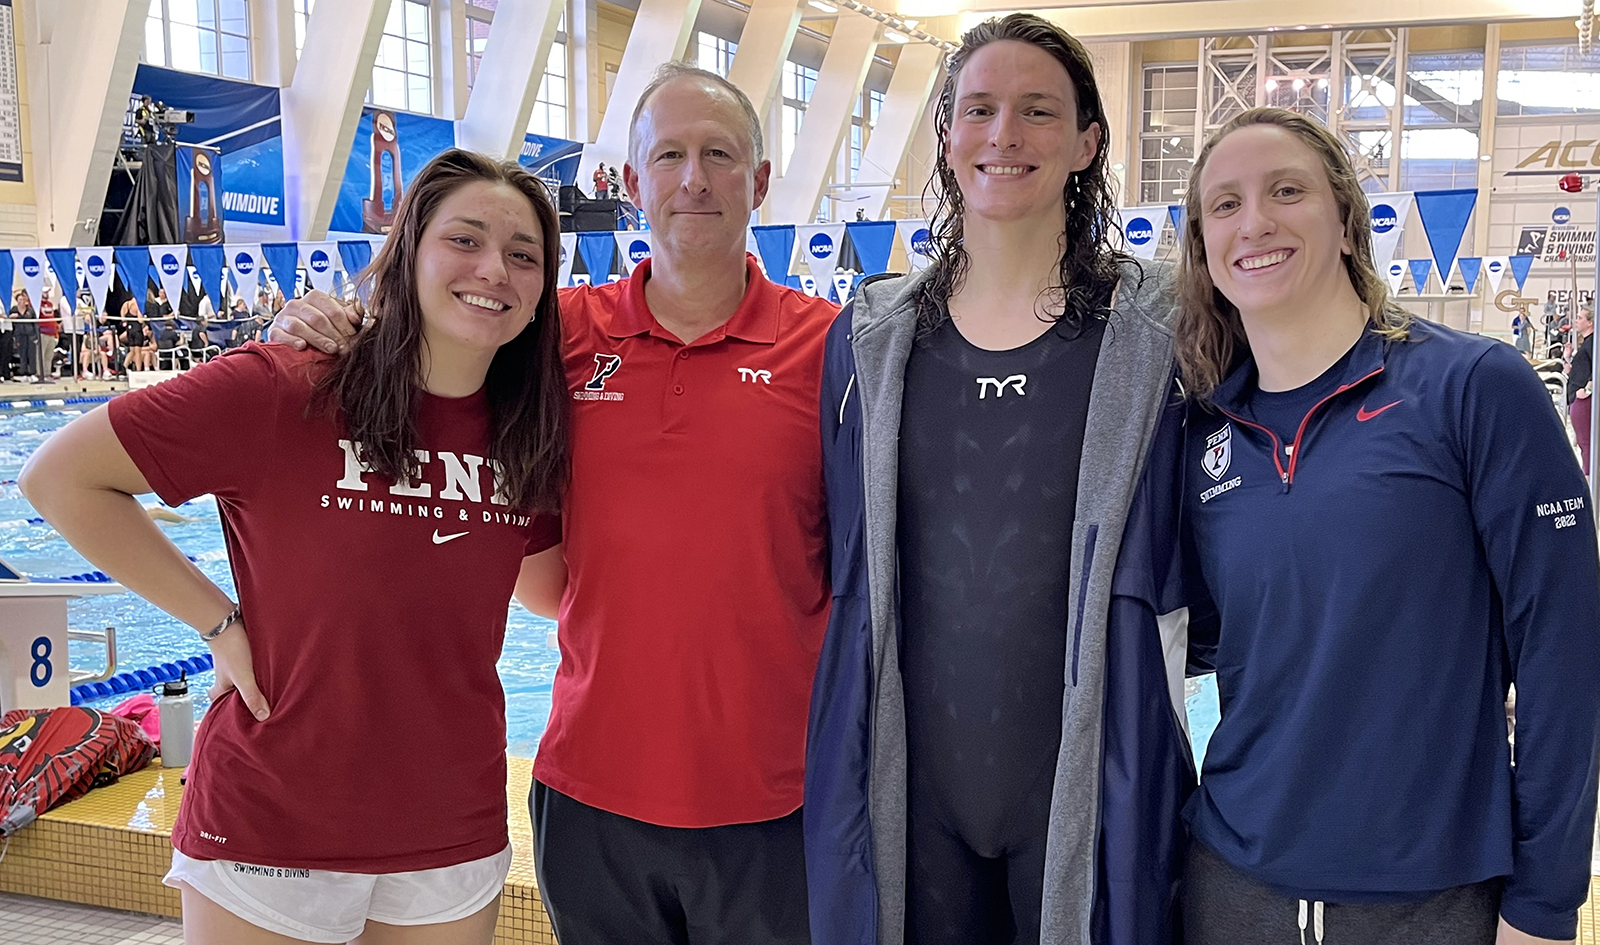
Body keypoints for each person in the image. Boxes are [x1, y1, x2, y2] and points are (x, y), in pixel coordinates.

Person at [273, 66, 836, 945]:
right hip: (592, 793)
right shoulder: (556, 333)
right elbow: (422, 371)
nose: (695, 179)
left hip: (775, 798)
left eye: (720, 156)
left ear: (759, 181)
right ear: (631, 181)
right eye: (671, 155)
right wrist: (315, 330)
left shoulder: (830, 346)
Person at [20, 149, 569, 945]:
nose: (495, 269)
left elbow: (548, 592)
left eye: (525, 255)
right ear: (408, 249)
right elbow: (59, 478)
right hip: (275, 814)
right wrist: (217, 623)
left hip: (450, 816)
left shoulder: (529, 433)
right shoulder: (288, 386)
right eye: (466, 239)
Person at [1174, 106, 1600, 945]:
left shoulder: (1473, 387)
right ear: (1204, 250)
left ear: (1344, 220)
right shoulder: (1203, 435)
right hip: (1231, 881)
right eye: (1223, 205)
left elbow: (1564, 652)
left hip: (1427, 895)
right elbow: (1205, 645)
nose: (1254, 220)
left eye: (1286, 190)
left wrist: (1546, 903)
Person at [807, 15, 1194, 945]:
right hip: (913, 789)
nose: (1004, 136)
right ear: (944, 138)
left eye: (1037, 112)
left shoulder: (1160, 335)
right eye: (978, 110)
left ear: (1087, 141)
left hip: (1093, 782)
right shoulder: (869, 339)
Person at [1566, 306, 1600, 473]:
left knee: (1585, 440)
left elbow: (1598, 369)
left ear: (1590, 322)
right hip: (1578, 393)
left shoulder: (1595, 343)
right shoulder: (1588, 342)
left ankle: (1589, 474)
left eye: (1580, 317)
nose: (1576, 320)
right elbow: (1583, 368)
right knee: (1582, 439)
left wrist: (1588, 390)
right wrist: (1568, 358)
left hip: (1584, 397)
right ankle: (1587, 471)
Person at [11, 289, 41, 381]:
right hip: (20, 335)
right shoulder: (14, 310)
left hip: (31, 335)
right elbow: (11, 324)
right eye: (20, 300)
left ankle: (32, 373)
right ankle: (23, 373)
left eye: (23, 300)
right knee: (22, 355)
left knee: (31, 355)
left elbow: (35, 324)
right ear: (17, 301)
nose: (22, 302)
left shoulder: (30, 310)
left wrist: (37, 336)